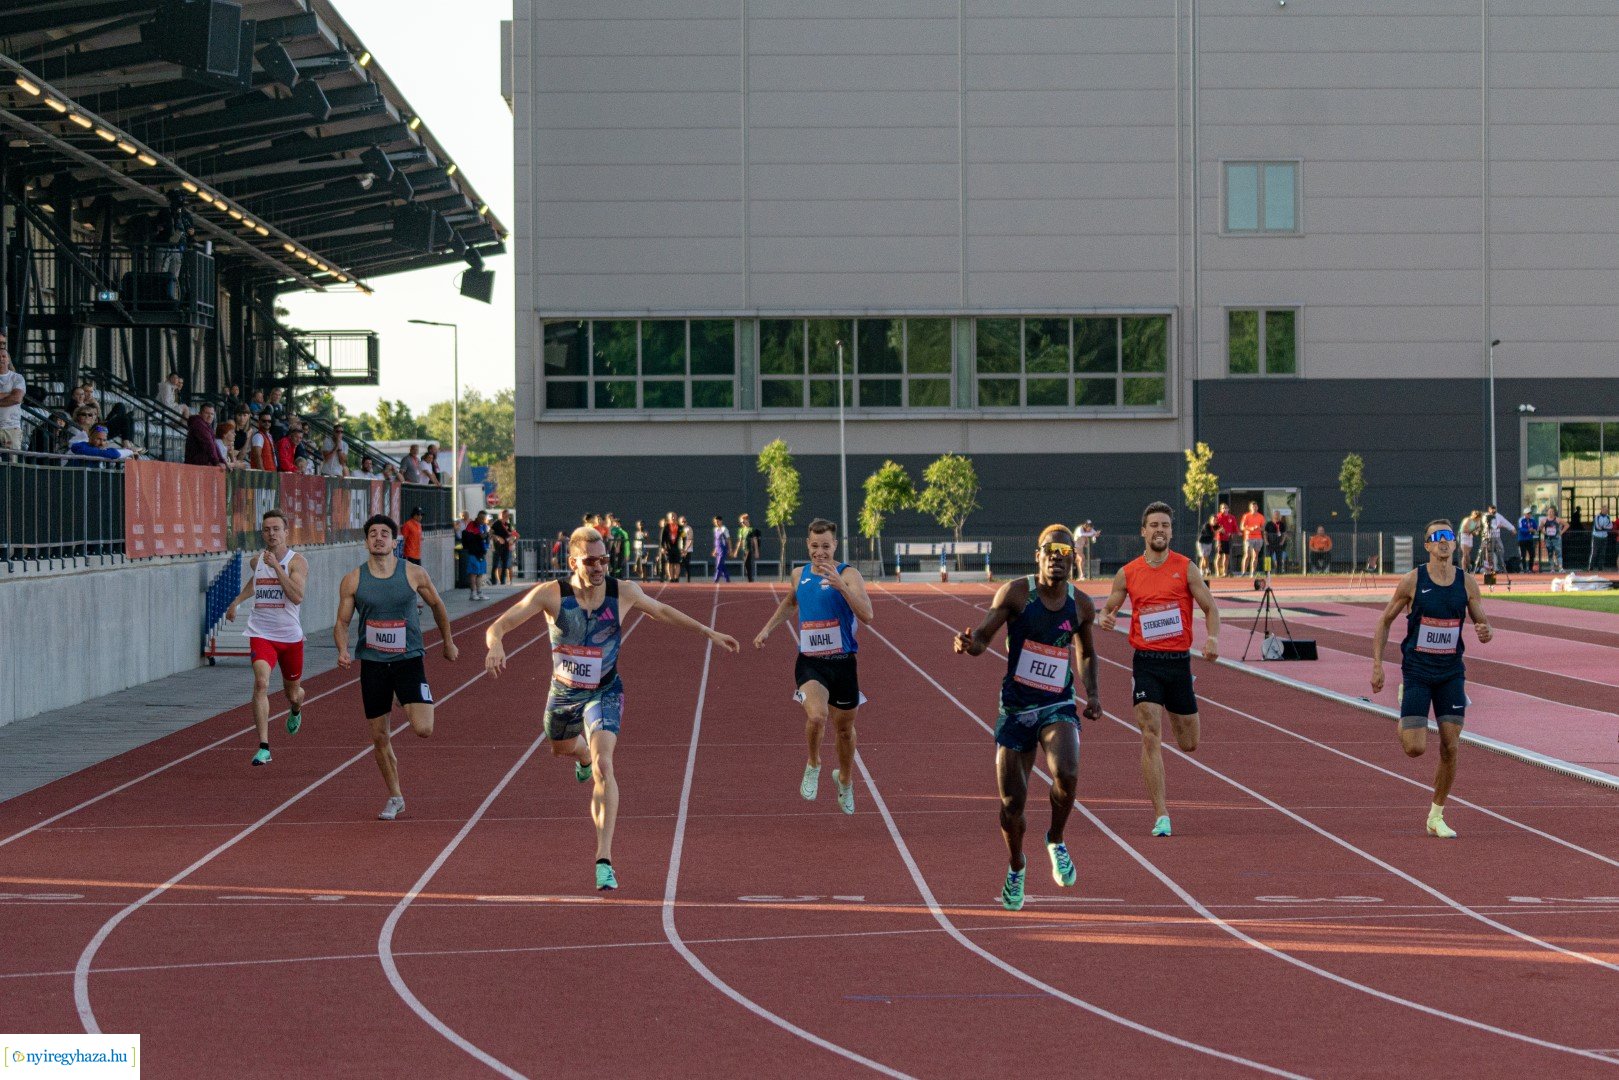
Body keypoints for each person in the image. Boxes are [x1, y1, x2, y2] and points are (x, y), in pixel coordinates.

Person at [486, 525, 740, 889]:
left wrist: (707, 632)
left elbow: (662, 611)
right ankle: (582, 759)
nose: (599, 567)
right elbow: (499, 625)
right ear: (573, 561)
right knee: (561, 748)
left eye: (603, 559)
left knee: (606, 764)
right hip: (563, 693)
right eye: (590, 561)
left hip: (604, 691)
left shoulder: (623, 592)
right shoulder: (552, 595)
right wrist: (495, 643)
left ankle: (603, 858)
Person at [952, 525, 1101, 911]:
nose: (1056, 556)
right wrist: (971, 645)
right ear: (1037, 556)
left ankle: (1056, 839)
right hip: (1017, 708)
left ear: (1073, 558)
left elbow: (1085, 654)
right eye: (1049, 550)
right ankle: (1017, 864)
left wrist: (1094, 693)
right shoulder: (1017, 594)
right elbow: (984, 634)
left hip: (1058, 704)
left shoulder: (1081, 604)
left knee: (1067, 772)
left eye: (1064, 551)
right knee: (1011, 805)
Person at [1099, 501, 1221, 837]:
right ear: (1143, 531)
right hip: (1146, 662)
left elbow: (1210, 607)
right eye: (1153, 525)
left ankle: (1181, 701)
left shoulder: (1186, 568)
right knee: (1150, 735)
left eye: (1165, 525)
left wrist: (1212, 638)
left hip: (1178, 663)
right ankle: (1161, 815)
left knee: (1189, 743)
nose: (1159, 531)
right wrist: (1106, 618)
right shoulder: (1128, 572)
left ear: (1170, 531)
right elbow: (1108, 608)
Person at [1370, 519, 1494, 838]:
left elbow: (1483, 624)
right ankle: (1406, 706)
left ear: (1455, 544)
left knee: (1450, 745)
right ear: (1426, 545)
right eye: (1435, 537)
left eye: (1448, 537)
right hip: (1418, 671)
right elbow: (1384, 622)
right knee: (1414, 748)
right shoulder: (1413, 580)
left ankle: (1436, 815)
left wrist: (1485, 631)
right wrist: (1377, 665)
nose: (1443, 541)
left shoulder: (1467, 583)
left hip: (1451, 673)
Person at [334, 514, 459, 820]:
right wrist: (342, 650)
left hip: (408, 660)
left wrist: (448, 642)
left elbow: (438, 606)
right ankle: (395, 796)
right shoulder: (353, 579)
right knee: (379, 737)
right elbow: (341, 622)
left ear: (395, 541)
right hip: (374, 665)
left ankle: (403, 695)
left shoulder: (413, 573)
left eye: (384, 534)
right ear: (366, 541)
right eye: (373, 534)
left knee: (424, 729)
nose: (378, 538)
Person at [752, 518, 875, 815]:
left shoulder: (849, 574)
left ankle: (844, 780)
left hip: (843, 662)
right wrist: (768, 628)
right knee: (817, 716)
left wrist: (842, 587)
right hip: (810, 662)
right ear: (808, 545)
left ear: (835, 546)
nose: (820, 552)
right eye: (815, 546)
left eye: (826, 546)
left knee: (844, 730)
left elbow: (868, 615)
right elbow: (791, 603)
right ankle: (813, 763)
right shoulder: (799, 574)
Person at [225, 509, 308, 766]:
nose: (271, 534)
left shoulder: (297, 562)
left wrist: (277, 569)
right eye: (266, 530)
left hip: (290, 637)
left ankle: (296, 709)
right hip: (261, 633)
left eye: (276, 529)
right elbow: (257, 582)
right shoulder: (257, 560)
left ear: (286, 532)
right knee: (261, 683)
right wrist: (236, 602)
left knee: (292, 694)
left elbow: (296, 596)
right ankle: (264, 746)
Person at [0, 338, 25, 452]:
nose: (1, 359)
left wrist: (11, 395)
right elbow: (12, 396)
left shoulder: (17, 377)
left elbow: (17, 398)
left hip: (11, 427)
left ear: (8, 359)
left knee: (12, 465)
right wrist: (8, 394)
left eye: (4, 356)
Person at [463, 510, 490, 601]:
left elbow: (485, 538)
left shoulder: (484, 526)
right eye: (481, 518)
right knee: (473, 574)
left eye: (484, 519)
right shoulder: (472, 525)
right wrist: (488, 534)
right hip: (473, 553)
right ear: (478, 517)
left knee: (480, 574)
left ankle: (479, 592)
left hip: (482, 553)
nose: (483, 520)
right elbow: (480, 536)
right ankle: (473, 593)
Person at [1238, 501, 1265, 577]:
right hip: (1249, 537)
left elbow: (1263, 528)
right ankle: (1243, 572)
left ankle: (1252, 573)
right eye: (1253, 507)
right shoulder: (1246, 516)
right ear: (1250, 508)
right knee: (1247, 555)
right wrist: (1250, 528)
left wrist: (1258, 528)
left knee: (1255, 556)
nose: (1254, 508)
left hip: (1258, 538)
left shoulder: (1261, 516)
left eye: (1255, 506)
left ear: (1257, 507)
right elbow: (1242, 527)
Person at [491, 509, 518, 585]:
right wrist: (498, 538)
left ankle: (503, 581)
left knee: (505, 564)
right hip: (497, 547)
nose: (506, 516)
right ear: (501, 515)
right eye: (505, 515)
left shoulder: (508, 525)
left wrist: (512, 539)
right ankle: (494, 581)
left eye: (508, 515)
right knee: (495, 565)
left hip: (506, 547)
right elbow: (491, 534)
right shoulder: (496, 523)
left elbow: (511, 535)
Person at [1214, 502, 1238, 577]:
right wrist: (1220, 530)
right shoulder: (1218, 517)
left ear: (1228, 509)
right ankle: (1217, 572)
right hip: (1220, 539)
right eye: (1223, 508)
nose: (1225, 509)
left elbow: (1235, 527)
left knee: (1226, 556)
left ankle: (1225, 572)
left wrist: (1235, 533)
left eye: (1226, 508)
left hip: (1228, 539)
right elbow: (1214, 527)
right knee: (1219, 556)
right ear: (1220, 509)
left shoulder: (1232, 517)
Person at [737, 512, 762, 582]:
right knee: (746, 565)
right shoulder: (741, 530)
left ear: (746, 520)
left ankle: (750, 579)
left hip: (749, 549)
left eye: (743, 521)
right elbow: (740, 541)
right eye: (741, 522)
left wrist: (756, 551)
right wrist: (736, 551)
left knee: (747, 563)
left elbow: (755, 540)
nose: (742, 523)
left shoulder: (751, 529)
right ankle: (750, 579)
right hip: (744, 549)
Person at [1540, 508, 1564, 573]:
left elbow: (1567, 525)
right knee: (1550, 554)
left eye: (1552, 512)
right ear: (1547, 513)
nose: (1551, 513)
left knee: (1558, 553)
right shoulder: (1544, 520)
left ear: (1554, 513)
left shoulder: (1558, 519)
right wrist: (1543, 532)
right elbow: (1540, 528)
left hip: (1556, 539)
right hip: (1548, 539)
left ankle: (1560, 568)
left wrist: (1561, 532)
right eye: (1549, 512)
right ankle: (1552, 568)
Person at [1589, 506, 1613, 571]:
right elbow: (1597, 527)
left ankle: (1600, 568)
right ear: (1602, 510)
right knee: (1594, 553)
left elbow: (1611, 526)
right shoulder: (1597, 517)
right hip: (1596, 537)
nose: (1606, 511)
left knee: (1602, 553)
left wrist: (1603, 528)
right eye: (1605, 510)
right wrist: (1605, 528)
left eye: (1607, 510)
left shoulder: (1608, 517)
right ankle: (1591, 567)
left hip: (1604, 537)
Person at [660, 512, 681, 582]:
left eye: (674, 516)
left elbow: (684, 538)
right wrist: (663, 547)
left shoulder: (680, 527)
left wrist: (684, 548)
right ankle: (671, 578)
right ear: (669, 518)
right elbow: (662, 539)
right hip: (669, 548)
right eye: (671, 516)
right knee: (670, 563)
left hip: (677, 548)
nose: (673, 518)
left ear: (676, 517)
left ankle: (676, 578)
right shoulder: (666, 527)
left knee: (677, 563)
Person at [1517, 508, 1539, 572]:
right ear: (1525, 514)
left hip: (1529, 539)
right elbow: (1521, 529)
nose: (1529, 515)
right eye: (1528, 513)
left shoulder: (1532, 520)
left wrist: (1535, 530)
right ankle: (1524, 568)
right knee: (1523, 555)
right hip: (1522, 539)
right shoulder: (1521, 520)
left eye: (1530, 513)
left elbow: (1536, 527)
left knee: (1532, 554)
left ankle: (1530, 568)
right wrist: (1528, 530)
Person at [712, 515, 732, 582]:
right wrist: (715, 550)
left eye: (718, 521)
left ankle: (716, 579)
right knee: (722, 566)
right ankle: (727, 579)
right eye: (715, 522)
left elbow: (728, 540)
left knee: (719, 565)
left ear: (721, 521)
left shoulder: (724, 529)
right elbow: (716, 540)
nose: (716, 523)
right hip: (718, 549)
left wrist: (730, 549)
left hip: (723, 549)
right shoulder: (715, 529)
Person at [678, 514, 695, 582]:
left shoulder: (688, 528)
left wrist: (685, 550)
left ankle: (688, 580)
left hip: (687, 550)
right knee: (678, 564)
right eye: (682, 521)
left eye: (685, 521)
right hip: (680, 550)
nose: (684, 523)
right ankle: (676, 579)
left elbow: (690, 540)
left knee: (687, 564)